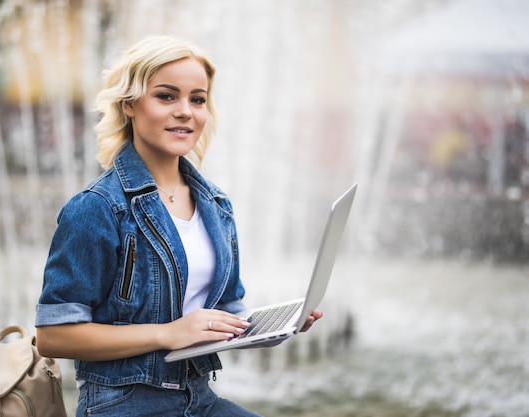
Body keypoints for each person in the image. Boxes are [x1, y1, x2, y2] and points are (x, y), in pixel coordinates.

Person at [35, 35, 323, 417]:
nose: (186, 111)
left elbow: (224, 313)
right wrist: (167, 333)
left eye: (197, 99)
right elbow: (53, 336)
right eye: (167, 96)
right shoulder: (97, 208)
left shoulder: (216, 205)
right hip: (123, 404)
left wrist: (273, 329)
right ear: (130, 105)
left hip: (198, 399)